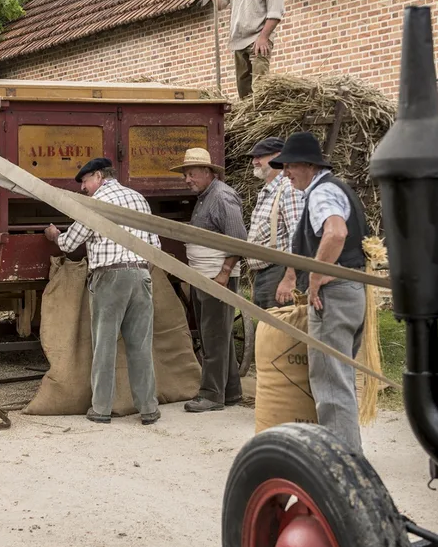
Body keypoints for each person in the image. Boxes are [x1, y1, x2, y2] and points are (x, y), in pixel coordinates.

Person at [44, 158, 161, 426]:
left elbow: (69, 243)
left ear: (98, 176)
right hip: (142, 273)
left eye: (84, 181)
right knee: (141, 346)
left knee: (104, 345)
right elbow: (155, 245)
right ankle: (148, 409)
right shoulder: (138, 198)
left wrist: (53, 234)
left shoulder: (95, 203)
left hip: (110, 276)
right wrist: (141, 273)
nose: (83, 188)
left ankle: (101, 409)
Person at [271, 132, 369, 453]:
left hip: (335, 295)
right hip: (353, 291)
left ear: (308, 165)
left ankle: (342, 462)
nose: (285, 173)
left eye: (289, 166)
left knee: (331, 383)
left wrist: (316, 274)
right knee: (341, 379)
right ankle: (349, 453)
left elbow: (336, 231)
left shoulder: (321, 192)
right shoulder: (336, 188)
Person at [170, 148, 247, 413]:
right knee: (218, 335)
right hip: (205, 275)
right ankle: (232, 391)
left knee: (213, 336)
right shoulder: (206, 196)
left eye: (191, 174)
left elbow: (237, 238)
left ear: (208, 172)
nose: (187, 180)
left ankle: (211, 395)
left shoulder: (222, 197)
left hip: (216, 276)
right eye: (185, 175)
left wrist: (224, 272)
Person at [243, 137, 303, 310]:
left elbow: (297, 235)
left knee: (278, 332)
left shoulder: (289, 189)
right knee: (267, 330)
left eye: (260, 156)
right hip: (266, 273)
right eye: (253, 157)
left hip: (280, 272)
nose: (254, 161)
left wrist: (290, 278)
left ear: (278, 156)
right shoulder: (268, 191)